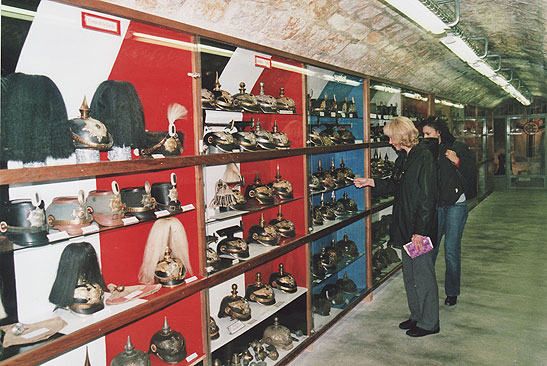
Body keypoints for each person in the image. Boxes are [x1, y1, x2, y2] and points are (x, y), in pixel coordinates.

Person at [355, 116, 439, 337]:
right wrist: (370, 182)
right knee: (410, 276)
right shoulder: (405, 158)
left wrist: (420, 231)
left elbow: (428, 199)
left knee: (423, 276)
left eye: (391, 138)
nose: (390, 142)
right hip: (405, 227)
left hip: (419, 231)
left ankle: (430, 322)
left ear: (402, 136)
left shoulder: (424, 158)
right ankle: (417, 316)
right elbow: (396, 185)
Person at [422, 117, 475, 306]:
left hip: (455, 205)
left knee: (451, 251)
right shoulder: (427, 152)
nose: (425, 137)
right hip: (436, 206)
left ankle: (452, 292)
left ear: (439, 133)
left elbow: (471, 171)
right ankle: (426, 290)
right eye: (423, 135)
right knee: (430, 249)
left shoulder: (456, 147)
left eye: (428, 134)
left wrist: (457, 161)